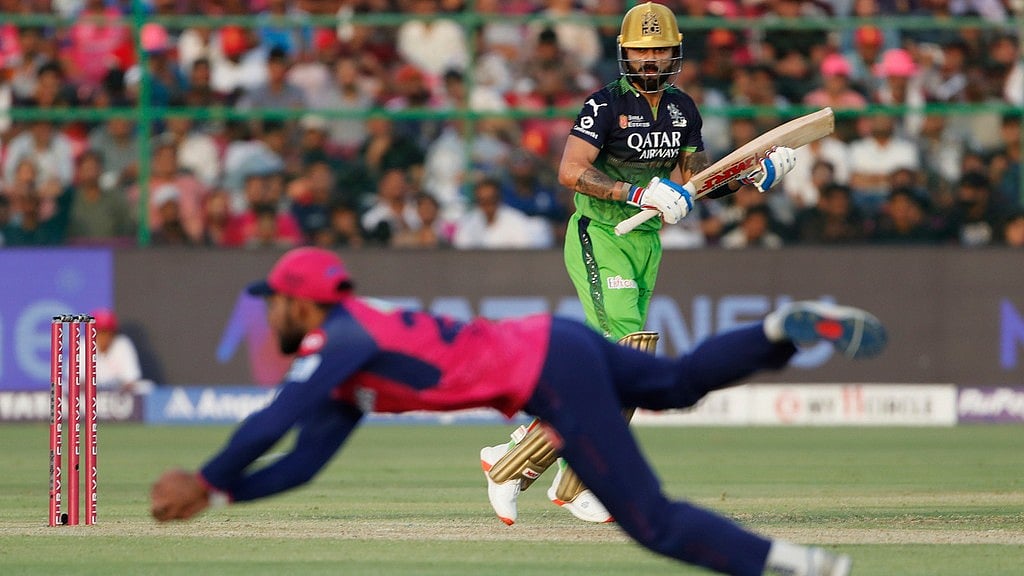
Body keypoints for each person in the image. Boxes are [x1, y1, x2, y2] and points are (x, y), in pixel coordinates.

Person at [150, 247, 885, 576]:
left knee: (653, 523)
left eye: (274, 301)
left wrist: (206, 477)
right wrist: (224, 494)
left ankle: (796, 568)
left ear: (301, 301)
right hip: (552, 343)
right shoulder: (350, 360)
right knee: (677, 383)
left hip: (547, 371)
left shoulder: (338, 341)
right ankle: (779, 330)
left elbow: (272, 422)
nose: (269, 314)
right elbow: (303, 461)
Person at [478, 1, 799, 525]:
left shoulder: (683, 109)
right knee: (633, 353)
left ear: (675, 53)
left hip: (645, 241)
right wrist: (634, 192)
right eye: (641, 51)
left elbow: (697, 181)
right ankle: (514, 466)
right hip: (601, 233)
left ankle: (564, 477)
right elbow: (570, 170)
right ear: (625, 53)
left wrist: (751, 176)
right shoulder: (604, 105)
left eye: (659, 51)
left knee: (614, 368)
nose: (650, 60)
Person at [90, 309, 153, 394]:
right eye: (99, 332)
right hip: (89, 395)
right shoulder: (83, 346)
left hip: (118, 394)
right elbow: (77, 381)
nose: (103, 337)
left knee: (146, 387)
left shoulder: (122, 344)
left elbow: (131, 379)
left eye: (107, 332)